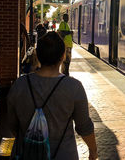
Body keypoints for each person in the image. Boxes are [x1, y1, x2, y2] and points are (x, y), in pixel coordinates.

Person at [7, 32, 98, 160]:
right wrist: (93, 151)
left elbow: (12, 124)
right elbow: (84, 127)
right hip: (64, 154)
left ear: (37, 55)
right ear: (63, 56)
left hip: (25, 153)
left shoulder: (19, 85)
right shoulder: (74, 87)